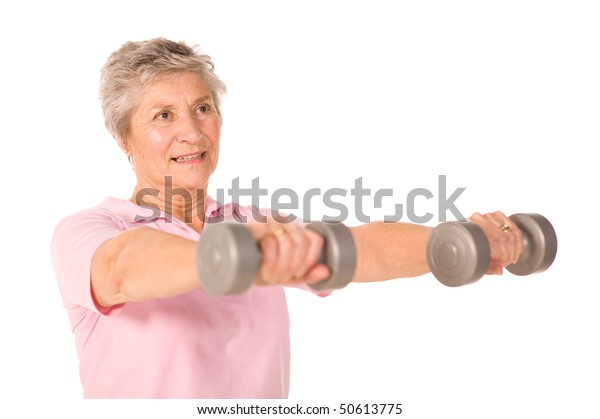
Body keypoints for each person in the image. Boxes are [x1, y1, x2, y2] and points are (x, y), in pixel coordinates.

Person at [50, 38, 524, 399]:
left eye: (202, 108)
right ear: (124, 138)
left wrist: (461, 242)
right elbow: (121, 268)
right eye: (162, 116)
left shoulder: (253, 221)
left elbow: (356, 250)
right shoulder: (90, 229)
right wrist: (238, 255)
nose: (191, 132)